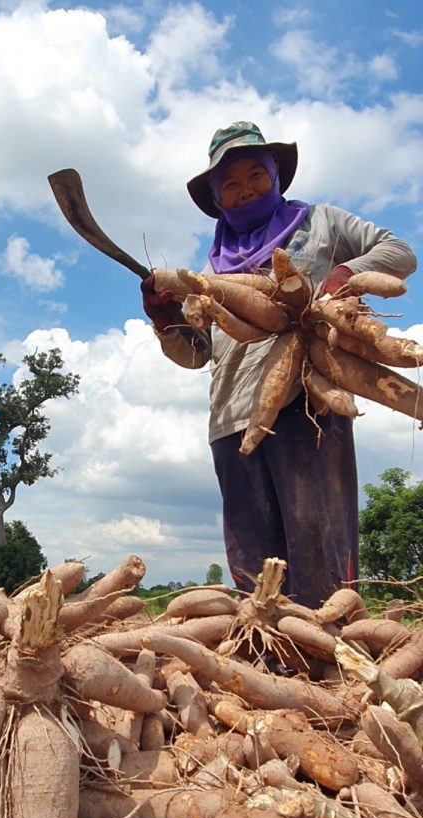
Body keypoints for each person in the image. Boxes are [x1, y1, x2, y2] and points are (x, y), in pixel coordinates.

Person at [141, 121, 417, 608]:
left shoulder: (322, 222)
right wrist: (165, 318)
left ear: (275, 177)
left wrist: (343, 275)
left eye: (255, 175)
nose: (244, 190)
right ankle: (266, 659)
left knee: (319, 556)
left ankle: (331, 663)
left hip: (308, 405)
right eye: (229, 183)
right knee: (254, 565)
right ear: (217, 197)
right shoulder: (208, 275)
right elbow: (196, 353)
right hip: (231, 421)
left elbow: (400, 252)